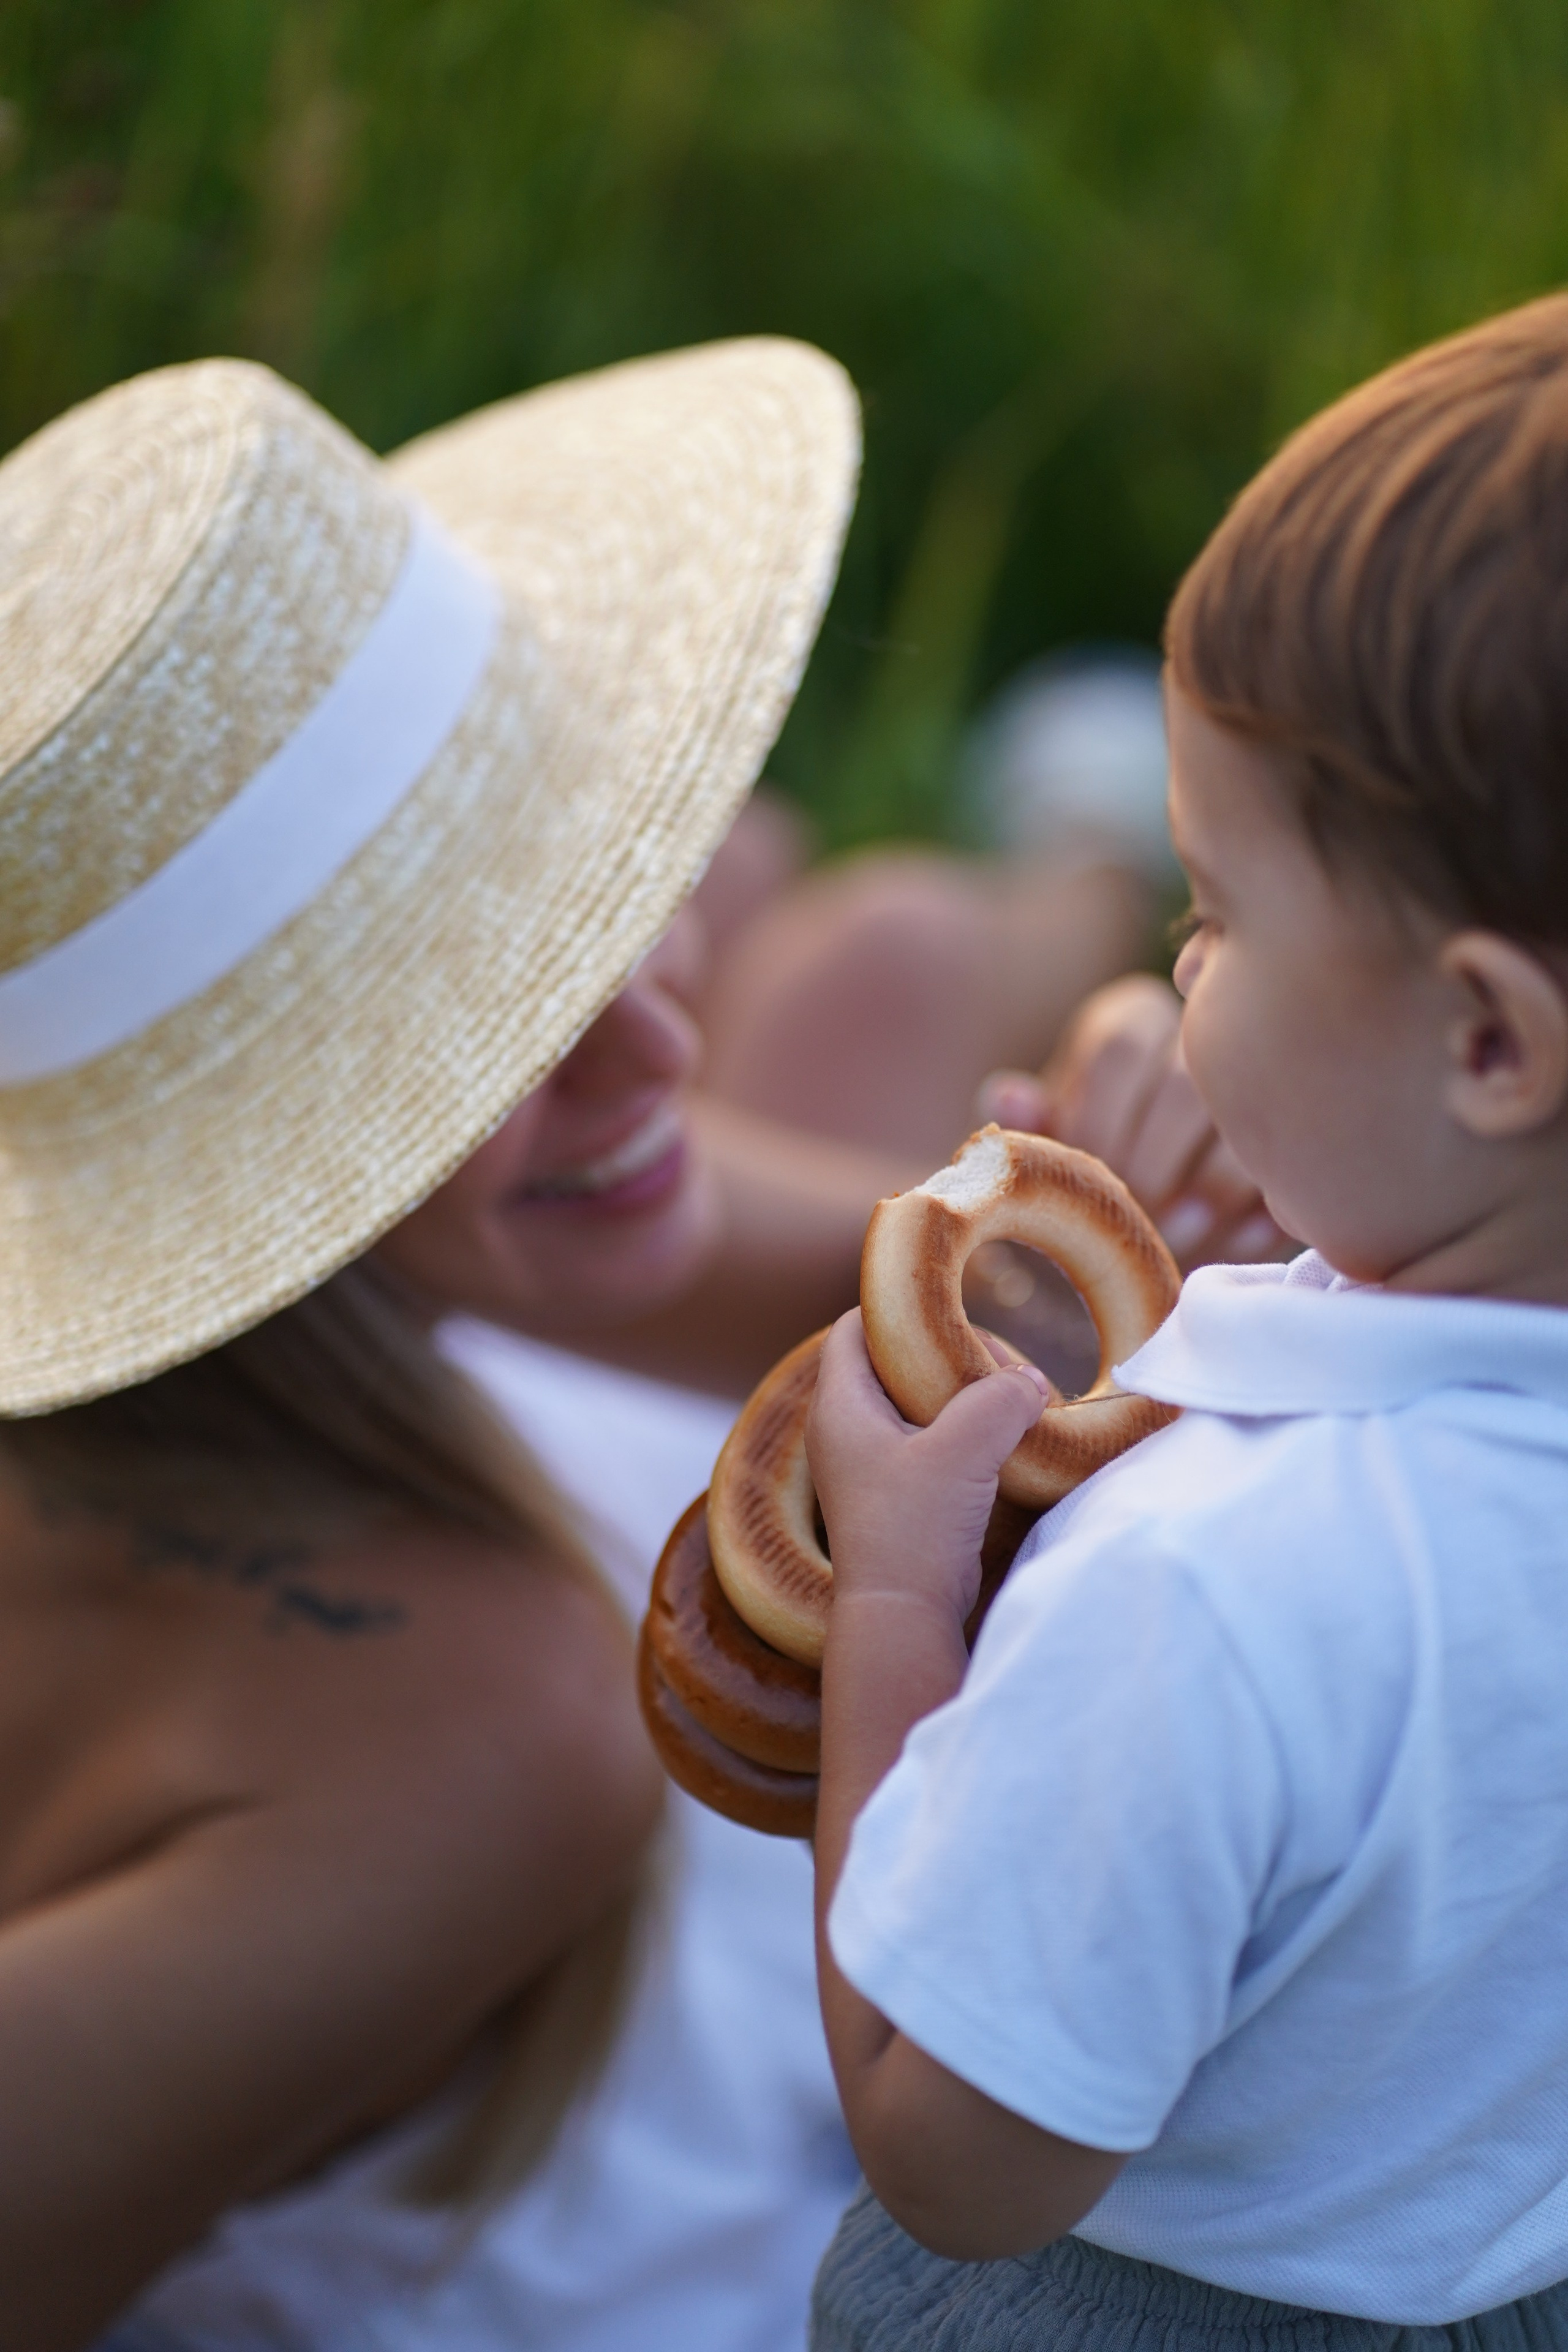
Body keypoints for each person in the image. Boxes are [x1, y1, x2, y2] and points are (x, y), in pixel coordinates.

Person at [0, 335, 1265, 2352]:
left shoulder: (342, 1290)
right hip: (813, 2092)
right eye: (490, 1028)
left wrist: (1133, 1118)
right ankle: (1091, 834)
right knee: (871, 955)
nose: (643, 1043)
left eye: (583, 905)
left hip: (606, 1559)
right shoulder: (484, 1735)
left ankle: (1080, 864)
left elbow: (908, 1258)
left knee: (866, 958)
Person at [804, 292, 1568, 2350]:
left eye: (1214, 911)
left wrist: (895, 1602)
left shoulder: (1208, 1584)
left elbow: (956, 2159)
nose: (1174, 959)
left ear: (1490, 1039)